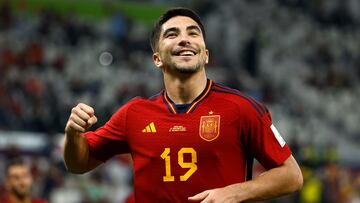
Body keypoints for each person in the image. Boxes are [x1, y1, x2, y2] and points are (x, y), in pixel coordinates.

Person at [63, 7, 303, 202]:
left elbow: (292, 176)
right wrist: (74, 133)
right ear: (157, 58)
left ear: (205, 54)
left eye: (193, 33)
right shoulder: (134, 114)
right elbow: (78, 164)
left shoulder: (242, 109)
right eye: (172, 34)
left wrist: (234, 192)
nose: (184, 40)